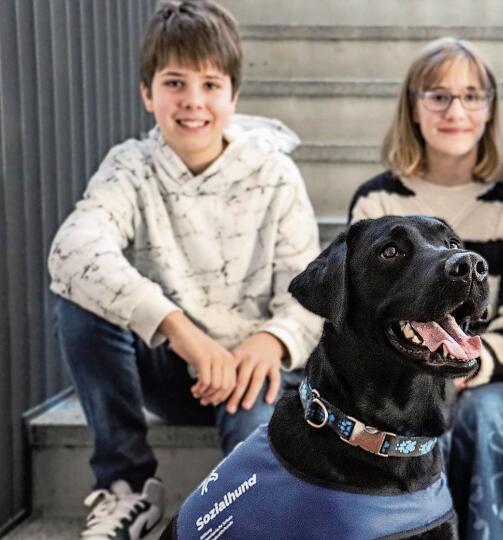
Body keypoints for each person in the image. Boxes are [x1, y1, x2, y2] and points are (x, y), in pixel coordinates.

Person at [47, 2, 321, 538]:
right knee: (79, 300)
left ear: (233, 96)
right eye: (175, 83)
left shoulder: (275, 175)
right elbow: (72, 250)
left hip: (252, 372)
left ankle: (234, 515)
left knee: (256, 462)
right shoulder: (130, 166)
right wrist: (181, 331)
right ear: (148, 93)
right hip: (170, 370)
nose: (193, 101)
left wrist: (270, 341)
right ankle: (127, 488)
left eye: (210, 84)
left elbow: (309, 295)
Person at [348, 37, 503, 539]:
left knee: (487, 418)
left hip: (483, 375)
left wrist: (474, 361)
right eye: (437, 95)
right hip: (399, 373)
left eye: (471, 95)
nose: (455, 109)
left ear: (489, 110)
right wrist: (424, 360)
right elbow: (359, 310)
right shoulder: (378, 201)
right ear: (413, 109)